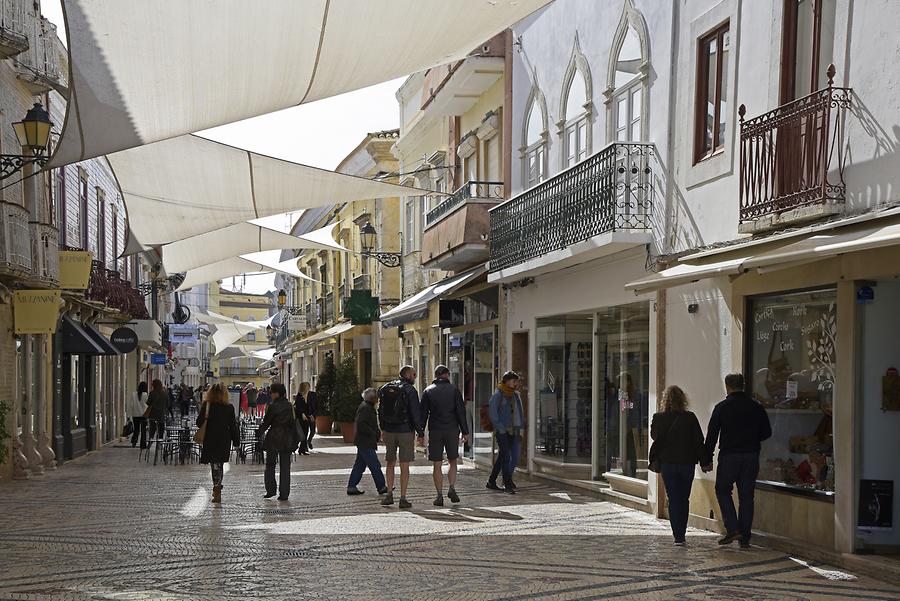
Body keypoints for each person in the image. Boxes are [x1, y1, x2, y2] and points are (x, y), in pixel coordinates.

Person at [703, 373, 773, 548]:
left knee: (722, 490)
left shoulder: (722, 407)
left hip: (729, 456)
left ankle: (733, 528)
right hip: (751, 456)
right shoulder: (756, 407)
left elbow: (711, 436)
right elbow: (767, 433)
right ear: (743, 385)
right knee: (747, 496)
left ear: (727, 386)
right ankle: (745, 537)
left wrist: (706, 459)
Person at [650, 385, 706, 546]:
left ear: (665, 400)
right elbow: (698, 441)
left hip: (668, 464)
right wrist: (705, 461)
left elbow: (655, 437)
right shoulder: (690, 417)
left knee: (674, 499)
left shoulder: (659, 417)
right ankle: (682, 530)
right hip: (687, 464)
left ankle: (678, 536)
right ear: (683, 400)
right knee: (684, 499)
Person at [420, 365, 469, 506]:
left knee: (437, 463)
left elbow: (423, 414)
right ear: (447, 375)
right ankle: (452, 487)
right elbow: (461, 412)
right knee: (453, 460)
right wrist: (465, 431)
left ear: (436, 375)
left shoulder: (428, 391)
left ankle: (439, 495)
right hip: (452, 429)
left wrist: (421, 433)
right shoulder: (454, 390)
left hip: (435, 429)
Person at [379, 366, 424, 509]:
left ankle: (389, 495)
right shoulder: (410, 390)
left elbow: (380, 411)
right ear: (408, 375)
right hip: (405, 431)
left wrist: (383, 428)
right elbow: (415, 414)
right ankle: (403, 498)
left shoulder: (386, 388)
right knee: (404, 465)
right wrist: (420, 433)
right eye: (414, 374)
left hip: (389, 430)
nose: (415, 376)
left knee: (390, 462)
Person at [197, 383, 240, 503]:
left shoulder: (207, 405)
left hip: (210, 438)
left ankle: (217, 486)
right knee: (219, 463)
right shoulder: (229, 407)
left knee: (214, 463)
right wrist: (236, 441)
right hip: (224, 439)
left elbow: (199, 423)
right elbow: (233, 426)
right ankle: (217, 486)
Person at [259, 383, 299, 501]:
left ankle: (271, 490)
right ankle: (284, 493)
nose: (270, 394)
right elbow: (293, 422)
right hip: (287, 438)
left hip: (274, 438)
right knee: (285, 467)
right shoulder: (290, 405)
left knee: (270, 464)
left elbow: (266, 423)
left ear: (276, 393)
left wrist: (259, 433)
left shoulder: (272, 406)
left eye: (271, 392)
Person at [487, 371, 525, 494]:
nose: (515, 384)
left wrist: (520, 428)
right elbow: (493, 414)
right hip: (502, 431)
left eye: (516, 381)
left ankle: (491, 481)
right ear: (507, 381)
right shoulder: (498, 394)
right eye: (514, 381)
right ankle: (507, 484)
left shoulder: (514, 395)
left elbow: (518, 413)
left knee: (503, 456)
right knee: (506, 456)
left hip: (513, 431)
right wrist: (501, 429)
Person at [347, 388, 388, 496]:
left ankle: (351, 486)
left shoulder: (367, 407)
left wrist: (376, 432)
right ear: (372, 397)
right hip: (365, 441)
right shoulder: (365, 408)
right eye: (377, 397)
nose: (378, 399)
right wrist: (373, 433)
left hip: (364, 441)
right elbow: (362, 424)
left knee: (359, 465)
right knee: (374, 465)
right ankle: (381, 486)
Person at [130, 381, 149, 448]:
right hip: (143, 415)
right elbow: (147, 404)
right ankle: (143, 444)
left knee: (136, 429)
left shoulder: (133, 394)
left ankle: (134, 442)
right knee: (143, 430)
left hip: (135, 414)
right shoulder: (145, 394)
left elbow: (131, 405)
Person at [293, 384, 311, 455]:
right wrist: (302, 414)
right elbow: (299, 407)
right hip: (301, 418)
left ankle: (302, 449)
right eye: (307, 387)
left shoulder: (306, 396)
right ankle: (299, 448)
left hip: (306, 417)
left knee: (305, 433)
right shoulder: (299, 396)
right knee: (302, 433)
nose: (309, 388)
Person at [302, 382, 318, 449]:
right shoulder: (301, 395)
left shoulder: (313, 394)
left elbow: (316, 405)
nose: (307, 388)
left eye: (308, 386)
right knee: (305, 431)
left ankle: (309, 441)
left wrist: (313, 414)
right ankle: (304, 446)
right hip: (305, 416)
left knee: (312, 431)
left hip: (312, 415)